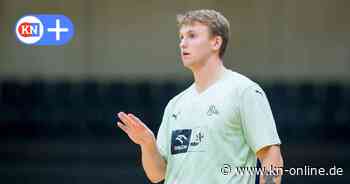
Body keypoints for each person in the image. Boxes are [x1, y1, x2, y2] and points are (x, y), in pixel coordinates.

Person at [117, 9, 283, 184]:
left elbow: (271, 157)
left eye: (192, 36)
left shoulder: (244, 92)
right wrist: (147, 144)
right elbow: (157, 174)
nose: (182, 43)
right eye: (181, 37)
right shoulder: (175, 105)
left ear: (216, 42)